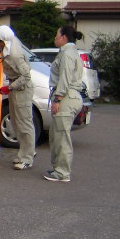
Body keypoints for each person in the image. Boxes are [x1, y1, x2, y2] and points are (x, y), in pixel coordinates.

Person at [0, 25, 35, 170]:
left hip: (22, 88)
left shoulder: (14, 55)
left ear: (2, 41)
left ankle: (27, 158)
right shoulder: (7, 46)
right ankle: (25, 152)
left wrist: (9, 87)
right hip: (15, 87)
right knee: (16, 122)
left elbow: (26, 76)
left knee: (24, 123)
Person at [44, 25, 85, 183]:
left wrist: (58, 98)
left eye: (57, 35)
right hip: (70, 96)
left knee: (62, 136)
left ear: (64, 37)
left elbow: (65, 77)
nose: (55, 38)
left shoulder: (67, 54)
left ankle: (62, 172)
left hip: (67, 97)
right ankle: (57, 168)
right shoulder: (71, 52)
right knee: (56, 135)